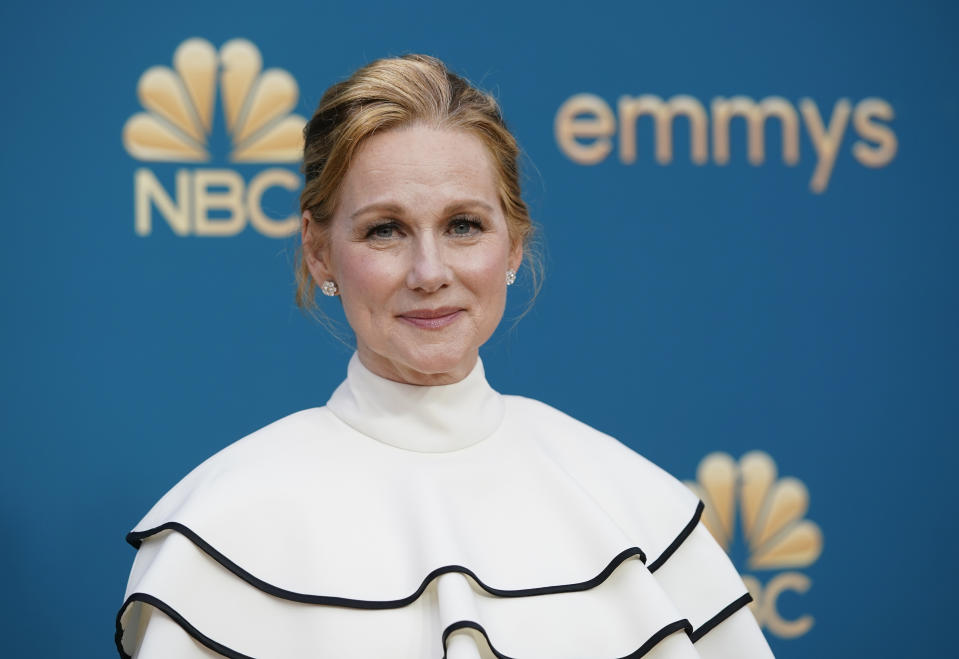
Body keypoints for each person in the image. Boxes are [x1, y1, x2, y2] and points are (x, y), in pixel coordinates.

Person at [116, 54, 775, 659]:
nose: (429, 271)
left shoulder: (634, 504)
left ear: (512, 243)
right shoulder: (225, 526)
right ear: (319, 252)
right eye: (385, 230)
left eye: (463, 225)